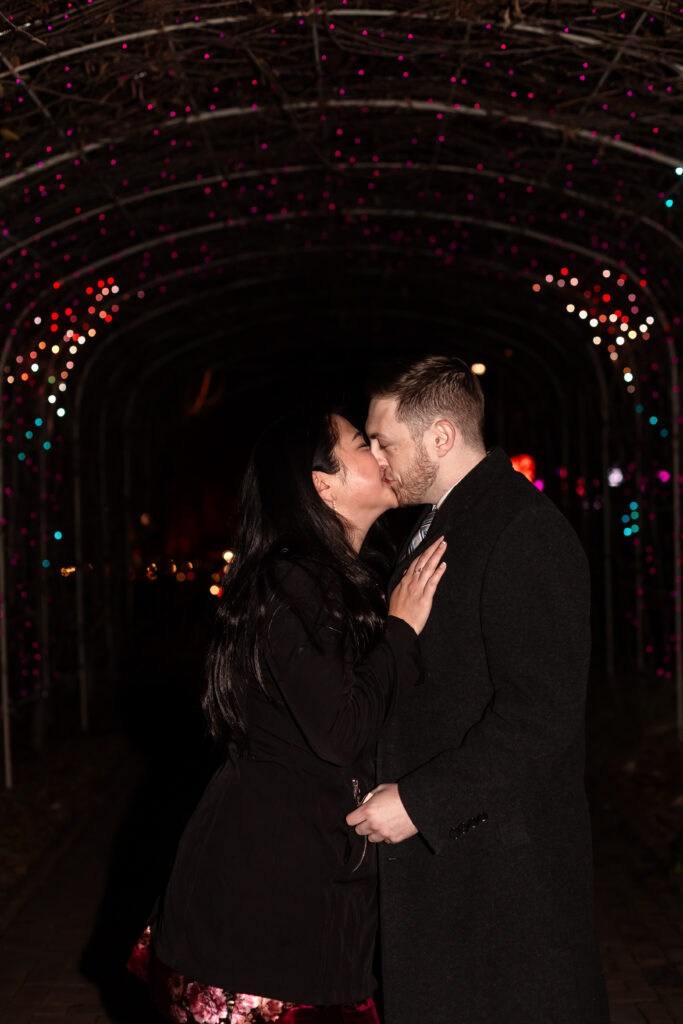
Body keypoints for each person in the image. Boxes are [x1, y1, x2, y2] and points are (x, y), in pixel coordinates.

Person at [128, 407, 447, 1024]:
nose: (381, 454)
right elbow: (342, 730)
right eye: (362, 443)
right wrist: (402, 632)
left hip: (308, 892)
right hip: (259, 907)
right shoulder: (292, 582)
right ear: (322, 484)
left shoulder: (341, 580)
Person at [347, 355, 609, 1024]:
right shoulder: (439, 520)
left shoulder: (521, 529)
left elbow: (541, 714)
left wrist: (420, 802)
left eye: (384, 441)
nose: (376, 458)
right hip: (456, 870)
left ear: (439, 436)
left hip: (500, 878)